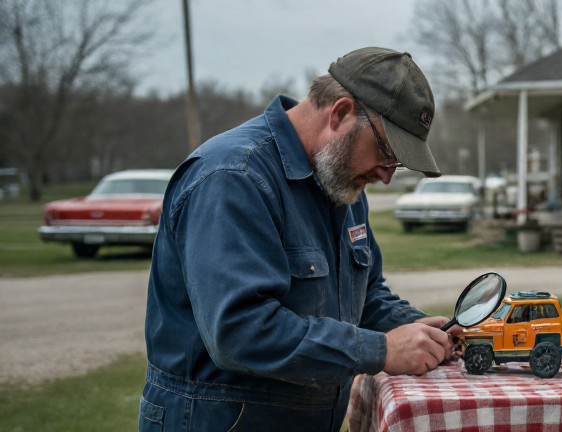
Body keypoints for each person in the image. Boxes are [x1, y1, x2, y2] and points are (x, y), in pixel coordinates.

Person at [139, 47, 456, 432]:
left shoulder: (341, 182)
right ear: (339, 113)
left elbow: (365, 298)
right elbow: (241, 331)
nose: (388, 176)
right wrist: (382, 350)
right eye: (387, 152)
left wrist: (424, 330)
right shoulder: (232, 178)